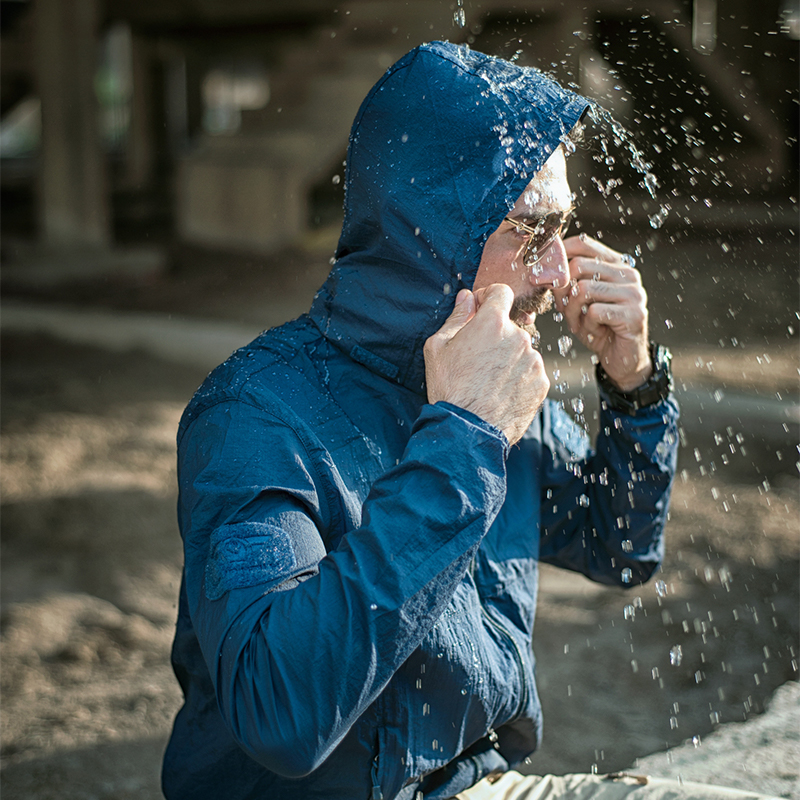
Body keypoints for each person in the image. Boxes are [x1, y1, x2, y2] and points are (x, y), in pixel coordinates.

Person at [161, 41, 769, 800]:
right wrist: (462, 442)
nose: (558, 274)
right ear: (430, 235)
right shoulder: (255, 418)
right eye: (528, 231)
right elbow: (282, 715)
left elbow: (620, 548)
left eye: (563, 230)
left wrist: (635, 387)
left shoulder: (496, 385)